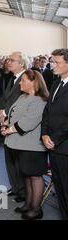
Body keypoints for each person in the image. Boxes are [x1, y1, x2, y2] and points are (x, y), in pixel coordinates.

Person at [1, 70, 48, 220]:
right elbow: (13, 114)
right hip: (20, 144)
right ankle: (29, 203)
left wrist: (9, 130)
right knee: (26, 175)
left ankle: (36, 208)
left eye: (23, 80)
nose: (20, 83)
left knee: (35, 176)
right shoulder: (23, 96)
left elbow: (28, 122)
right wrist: (5, 123)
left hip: (33, 146)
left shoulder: (39, 100)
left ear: (33, 82)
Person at [0, 52, 29, 202]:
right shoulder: (11, 78)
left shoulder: (28, 77)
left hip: (17, 124)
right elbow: (4, 98)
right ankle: (15, 187)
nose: (8, 62)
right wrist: (0, 112)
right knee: (9, 157)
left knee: (18, 159)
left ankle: (23, 191)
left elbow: (26, 102)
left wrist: (7, 117)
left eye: (12, 60)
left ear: (21, 63)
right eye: (8, 59)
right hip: (6, 121)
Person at [41, 48, 68, 219]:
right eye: (52, 62)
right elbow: (47, 112)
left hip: (64, 146)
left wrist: (54, 139)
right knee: (60, 189)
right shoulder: (56, 82)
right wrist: (44, 134)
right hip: (52, 144)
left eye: (57, 62)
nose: (53, 66)